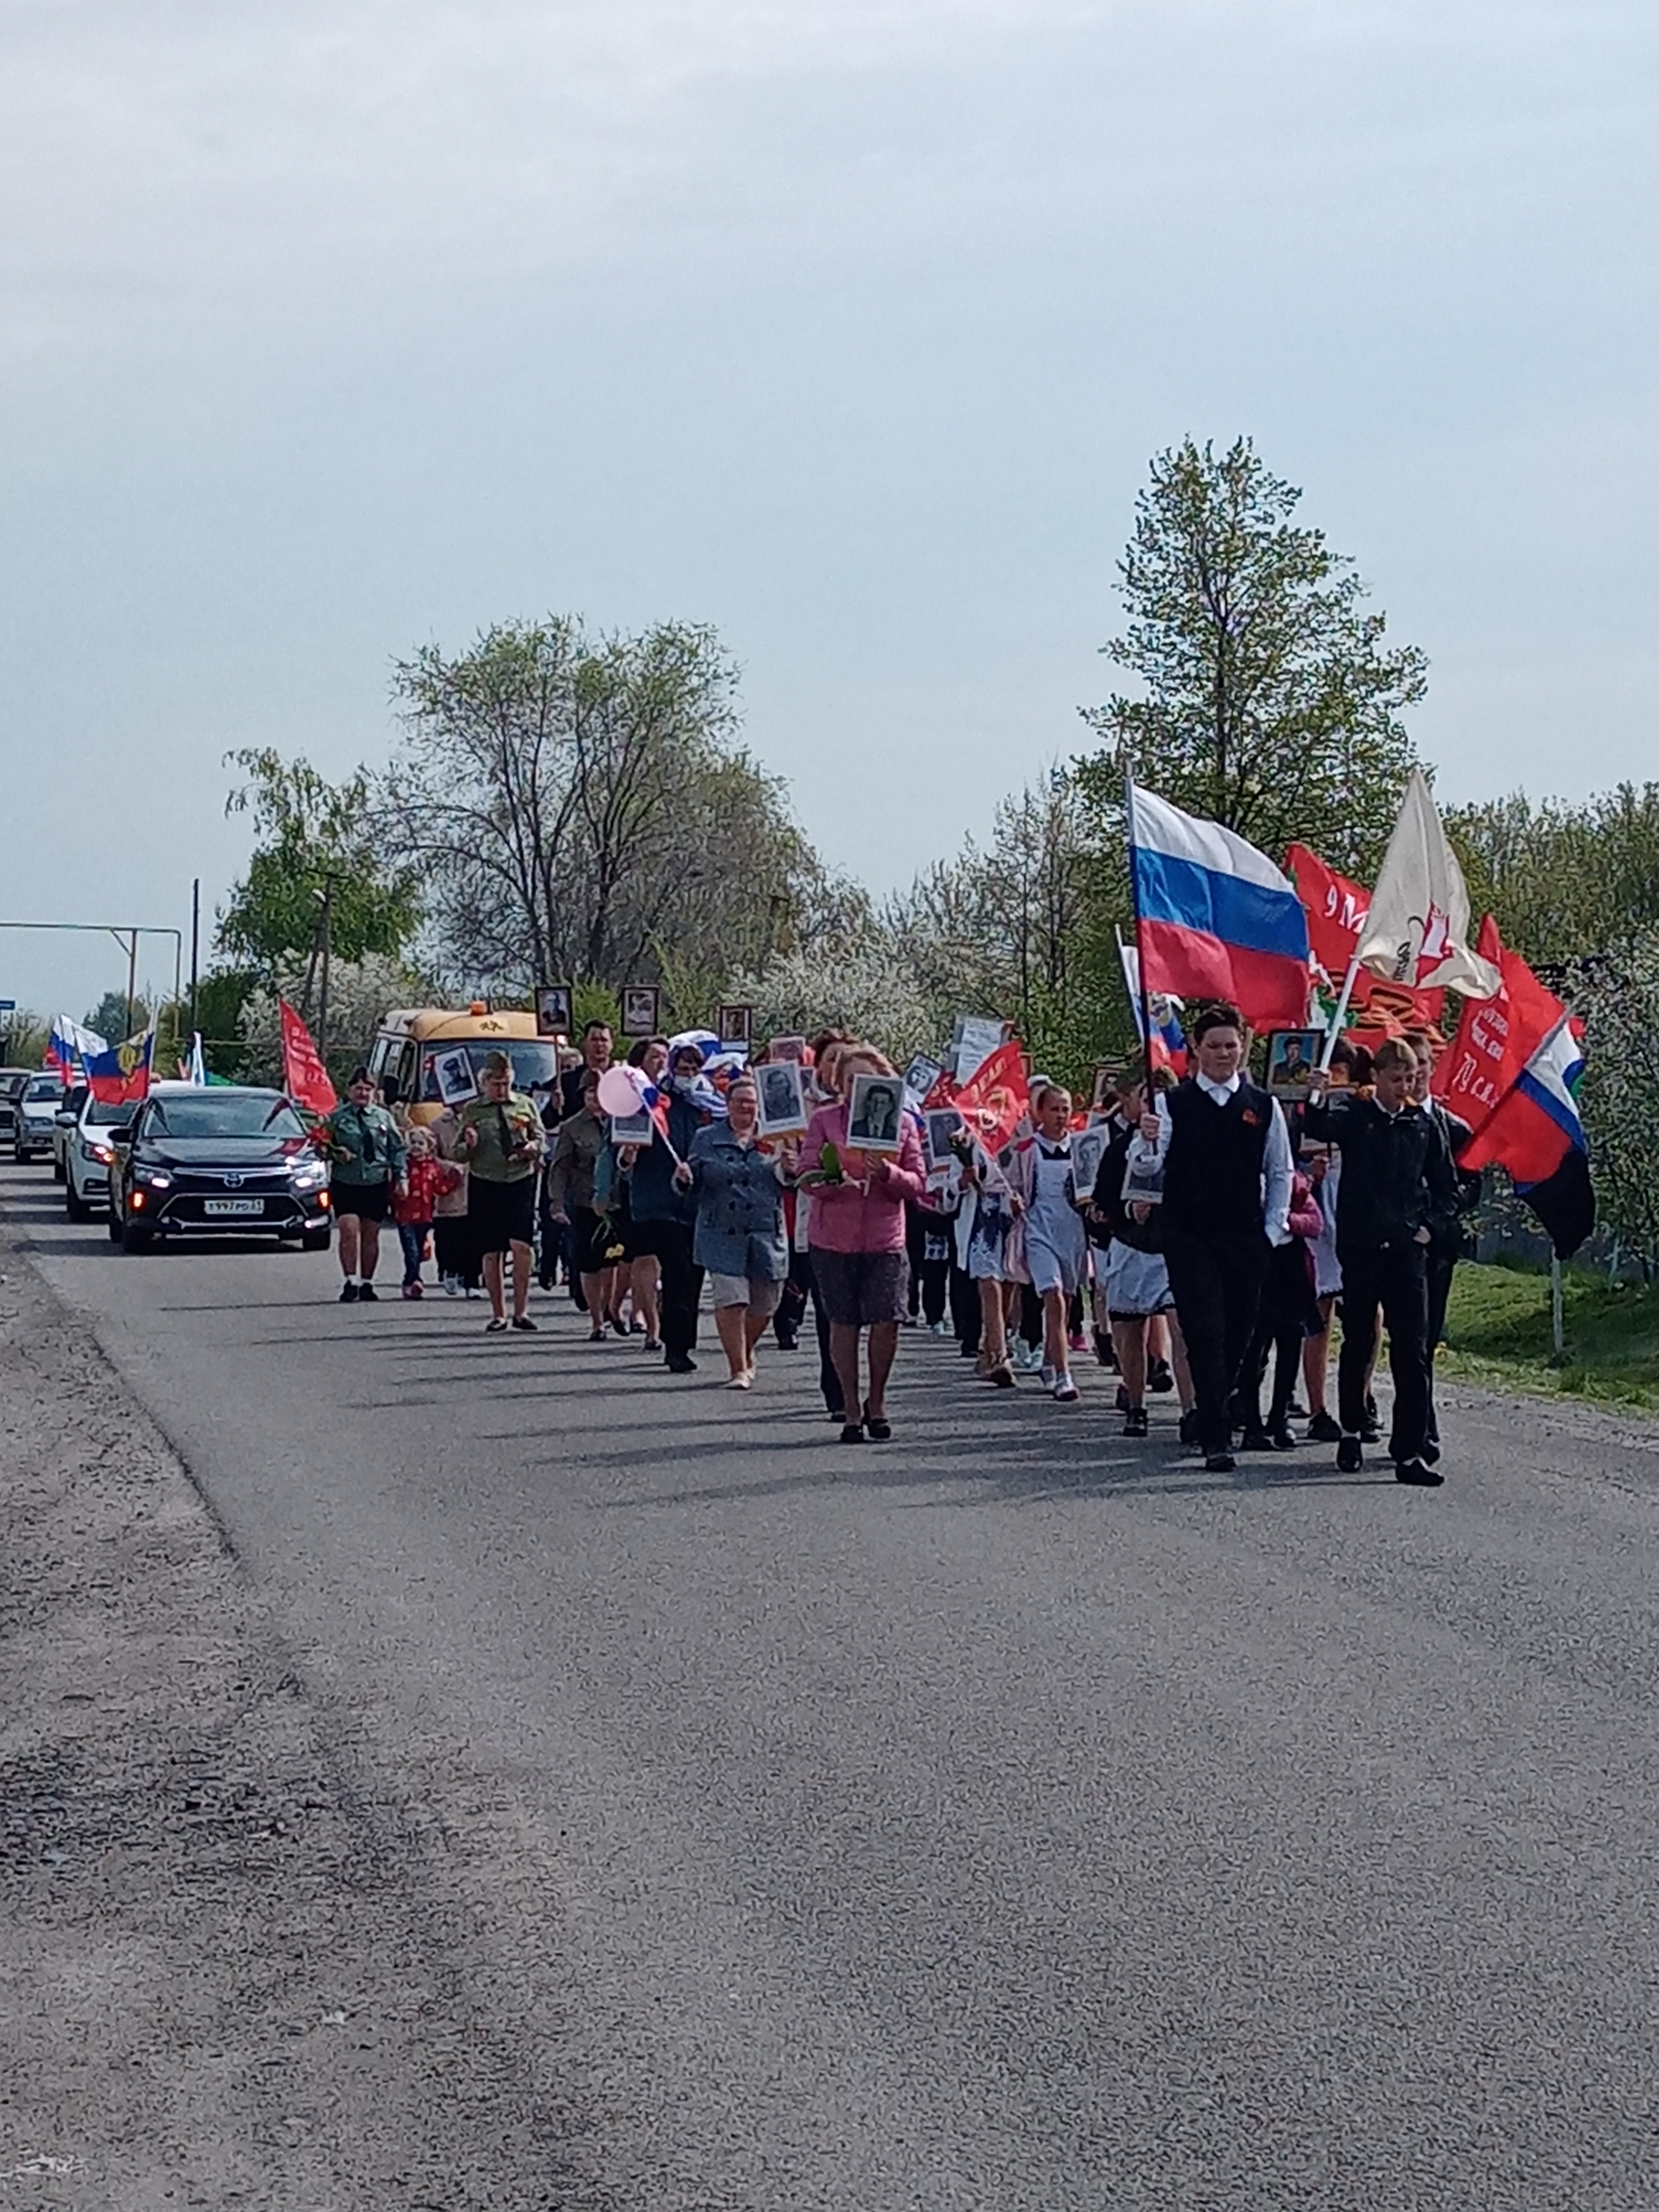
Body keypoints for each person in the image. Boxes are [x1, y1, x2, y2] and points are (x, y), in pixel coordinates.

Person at [1136, 1003, 1294, 1473]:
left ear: (1242, 1048)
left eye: (1232, 1045)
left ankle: (1217, 1400)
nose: (1224, 1053)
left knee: (1240, 1331)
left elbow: (1280, 1171)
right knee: (1203, 1328)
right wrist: (1146, 1142)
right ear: (1198, 1052)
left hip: (1245, 1237)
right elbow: (1147, 1169)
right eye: (1214, 1046)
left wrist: (1271, 1231)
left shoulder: (1263, 1107)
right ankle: (1216, 1434)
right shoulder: (1172, 1104)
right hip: (1190, 1236)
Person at [1302, 1037, 1457, 1486]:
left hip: (1408, 1248)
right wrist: (1314, 1092)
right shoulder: (1358, 1116)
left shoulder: (1423, 1125)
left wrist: (1429, 1226)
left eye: (1410, 1079)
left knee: (1412, 1349)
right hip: (1363, 1246)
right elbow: (1319, 1125)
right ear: (1378, 1077)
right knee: (1359, 1343)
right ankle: (1351, 1429)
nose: (1403, 1087)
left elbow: (1446, 1186)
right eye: (1396, 1079)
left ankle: (1408, 1451)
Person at [801, 1045, 927, 1442]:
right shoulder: (825, 1122)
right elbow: (807, 1174)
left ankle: (878, 1401)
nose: (858, 1088)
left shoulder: (903, 1124)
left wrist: (887, 1172)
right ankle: (851, 1408)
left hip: (884, 1237)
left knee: (887, 1319)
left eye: (866, 1080)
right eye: (851, 1080)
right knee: (844, 1321)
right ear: (841, 1084)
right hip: (834, 1238)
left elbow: (917, 1183)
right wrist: (836, 1184)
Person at [1086, 1074, 1192, 1439]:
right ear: (1135, 1105)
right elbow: (1102, 1198)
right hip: (1133, 1247)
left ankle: (1191, 1411)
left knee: (1184, 1329)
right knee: (1131, 1330)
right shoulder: (1119, 1148)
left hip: (1174, 1249)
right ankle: (1136, 1404)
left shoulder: (1186, 1144)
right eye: (1149, 1100)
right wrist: (1129, 1210)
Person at [682, 1074, 791, 1388]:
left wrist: (791, 1167)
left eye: (752, 1103)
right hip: (721, 1231)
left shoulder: (778, 1137)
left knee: (766, 1304)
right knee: (732, 1298)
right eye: (740, 1101)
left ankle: (745, 1349)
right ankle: (738, 1369)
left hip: (765, 1231)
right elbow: (693, 1180)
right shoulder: (706, 1137)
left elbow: (790, 1181)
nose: (746, 1108)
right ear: (727, 1105)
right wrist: (685, 1178)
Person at [621, 1041, 706, 1373]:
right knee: (678, 1272)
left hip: (698, 1205)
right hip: (660, 1202)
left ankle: (685, 1338)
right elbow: (627, 1155)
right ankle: (676, 1346)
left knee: (694, 1275)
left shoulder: (708, 1105)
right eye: (682, 1069)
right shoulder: (653, 1102)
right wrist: (627, 1154)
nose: (688, 1075)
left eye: (694, 1069)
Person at [1002, 1083, 1089, 1401]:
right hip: (1038, 1231)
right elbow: (1010, 1187)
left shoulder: (1081, 1147)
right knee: (1053, 1296)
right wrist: (1012, 1203)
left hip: (1072, 1234)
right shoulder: (1027, 1150)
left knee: (1065, 1300)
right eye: (1054, 1109)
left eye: (1065, 1109)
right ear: (1040, 1112)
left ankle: (1053, 1360)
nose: (1061, 1116)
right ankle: (1065, 1376)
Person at [455, 1050, 544, 1333]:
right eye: (495, 1084)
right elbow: (458, 1154)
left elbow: (540, 1138)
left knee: (522, 1247)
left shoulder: (525, 1105)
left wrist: (533, 1148)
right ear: (485, 1084)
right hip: (486, 1182)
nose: (501, 1089)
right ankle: (499, 1313)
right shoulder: (473, 1111)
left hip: (519, 1181)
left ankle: (522, 1311)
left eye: (505, 1083)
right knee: (492, 1251)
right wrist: (469, 1144)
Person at [318, 1068, 408, 1304]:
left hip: (375, 1182)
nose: (363, 1093)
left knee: (371, 1236)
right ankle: (351, 1281)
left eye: (367, 1089)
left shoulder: (383, 1118)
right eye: (358, 1089)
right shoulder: (337, 1118)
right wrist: (336, 1153)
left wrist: (401, 1177)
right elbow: (322, 1148)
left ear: (374, 1093)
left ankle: (367, 1282)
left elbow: (396, 1148)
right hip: (346, 1182)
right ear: (350, 1091)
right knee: (348, 1230)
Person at [544, 1068, 620, 1339]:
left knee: (613, 1259)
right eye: (590, 1092)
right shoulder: (572, 1127)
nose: (596, 1098)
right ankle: (597, 1321)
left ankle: (610, 1306)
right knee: (589, 1263)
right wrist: (557, 1203)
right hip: (584, 1201)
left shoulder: (621, 1120)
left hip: (616, 1203)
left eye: (601, 1092)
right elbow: (561, 1168)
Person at [391, 1124, 461, 1299]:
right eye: (413, 1142)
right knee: (412, 1251)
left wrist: (454, 1179)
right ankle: (412, 1282)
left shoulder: (432, 1166)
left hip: (425, 1215)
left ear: (429, 1146)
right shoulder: (403, 1166)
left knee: (420, 1251)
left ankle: (413, 1279)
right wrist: (396, 1193)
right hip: (405, 1215)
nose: (416, 1146)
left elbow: (440, 1188)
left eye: (421, 1143)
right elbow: (393, 1188)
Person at [430, 1104, 479, 1298]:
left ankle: (472, 1279)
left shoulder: (483, 1121)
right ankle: (450, 1270)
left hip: (478, 1183)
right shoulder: (438, 1125)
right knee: (451, 1233)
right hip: (452, 1187)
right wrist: (449, 1166)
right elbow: (430, 1157)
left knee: (475, 1234)